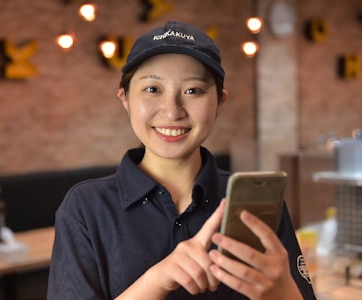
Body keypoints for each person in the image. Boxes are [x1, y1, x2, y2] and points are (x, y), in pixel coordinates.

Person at [47, 21, 316, 299]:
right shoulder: (85, 207)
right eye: (153, 89)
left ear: (219, 101)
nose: (172, 112)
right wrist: (157, 280)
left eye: (193, 90)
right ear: (125, 98)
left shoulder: (255, 204)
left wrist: (284, 292)